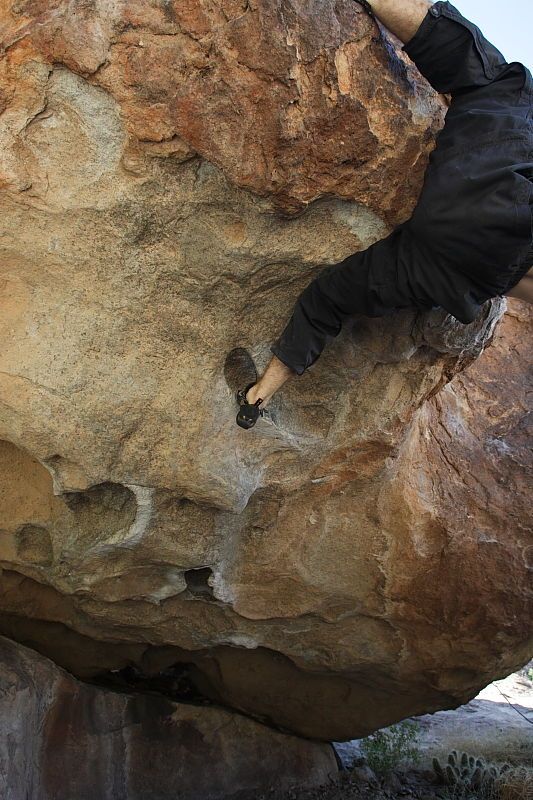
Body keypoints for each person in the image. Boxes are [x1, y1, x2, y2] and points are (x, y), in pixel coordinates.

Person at [236, 0, 533, 428]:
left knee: (490, 77)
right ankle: (258, 397)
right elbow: (329, 302)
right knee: (331, 296)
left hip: (502, 194)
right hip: (456, 272)